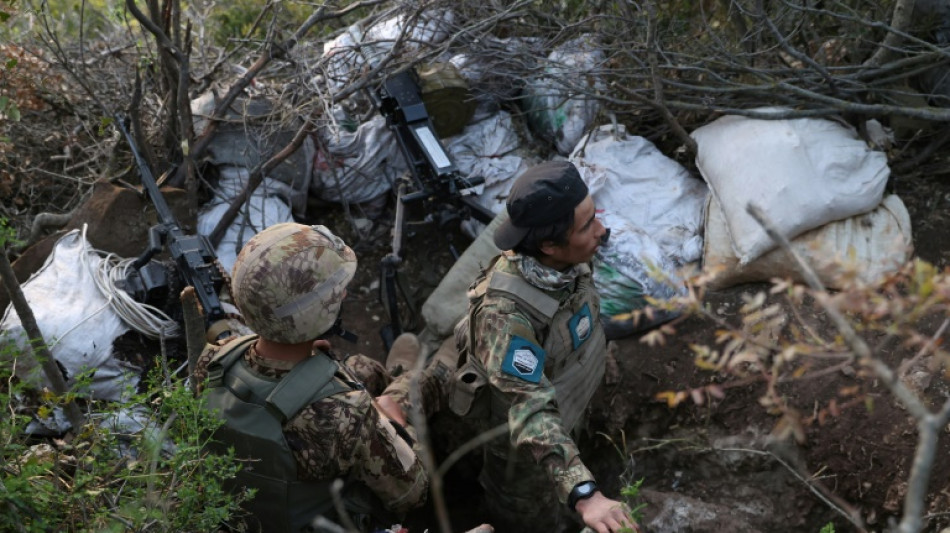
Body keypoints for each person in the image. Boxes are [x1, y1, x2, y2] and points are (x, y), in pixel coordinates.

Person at [193, 222, 430, 532]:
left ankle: (397, 374)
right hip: (324, 521)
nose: (344, 292)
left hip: (246, 514)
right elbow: (413, 494)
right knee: (407, 391)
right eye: (336, 291)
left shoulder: (215, 360)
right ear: (313, 314)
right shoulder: (346, 413)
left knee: (361, 367)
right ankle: (410, 378)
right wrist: (393, 421)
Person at [445, 160, 640, 533]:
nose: (602, 230)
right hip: (526, 455)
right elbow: (529, 408)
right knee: (534, 520)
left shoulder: (566, 263)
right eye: (587, 225)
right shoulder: (505, 318)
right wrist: (585, 493)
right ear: (549, 245)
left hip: (569, 406)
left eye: (595, 216)